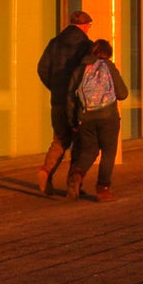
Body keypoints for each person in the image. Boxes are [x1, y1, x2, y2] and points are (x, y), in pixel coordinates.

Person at [36, 10, 92, 194]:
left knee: (59, 140)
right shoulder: (86, 46)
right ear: (85, 26)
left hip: (58, 101)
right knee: (80, 142)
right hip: (77, 103)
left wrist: (55, 87)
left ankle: (46, 172)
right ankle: (72, 185)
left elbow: (42, 68)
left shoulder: (55, 42)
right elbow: (88, 75)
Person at [64, 39, 128, 202]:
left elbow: (71, 98)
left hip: (85, 118)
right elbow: (122, 93)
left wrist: (73, 121)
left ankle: (77, 175)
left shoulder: (80, 69)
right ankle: (103, 190)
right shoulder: (109, 67)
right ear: (108, 54)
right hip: (108, 118)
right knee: (108, 153)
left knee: (89, 151)